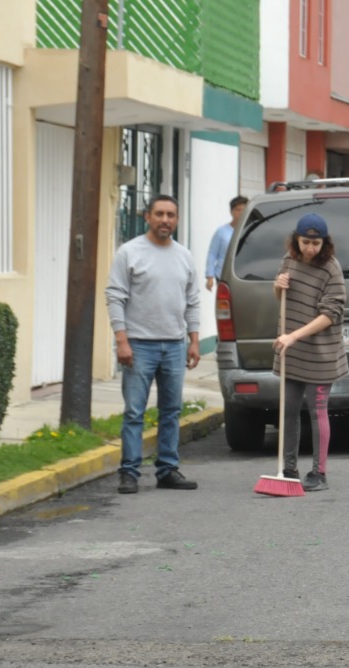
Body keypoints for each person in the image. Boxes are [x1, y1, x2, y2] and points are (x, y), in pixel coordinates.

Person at [106, 194, 203, 494]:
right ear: (147, 216)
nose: (165, 220)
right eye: (159, 213)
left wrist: (194, 341)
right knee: (134, 412)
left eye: (171, 214)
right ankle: (129, 472)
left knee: (171, 410)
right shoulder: (129, 252)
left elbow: (193, 301)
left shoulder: (184, 256)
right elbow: (115, 296)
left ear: (176, 219)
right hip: (139, 345)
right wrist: (121, 340)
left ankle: (167, 470)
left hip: (174, 345)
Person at [272, 213, 347, 492]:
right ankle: (289, 469)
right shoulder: (288, 260)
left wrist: (294, 336)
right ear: (296, 239)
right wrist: (276, 287)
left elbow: (330, 315)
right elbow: (282, 298)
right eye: (305, 242)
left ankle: (319, 473)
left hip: (319, 354)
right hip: (291, 351)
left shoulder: (331, 269)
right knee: (288, 410)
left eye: (316, 243)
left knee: (317, 412)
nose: (310, 248)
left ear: (324, 243)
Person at [204, 195, 249, 292]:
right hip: (223, 275)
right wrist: (209, 276)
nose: (241, 213)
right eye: (238, 210)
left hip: (244, 275)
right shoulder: (221, 232)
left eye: (243, 210)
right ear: (231, 211)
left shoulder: (250, 231)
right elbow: (212, 254)